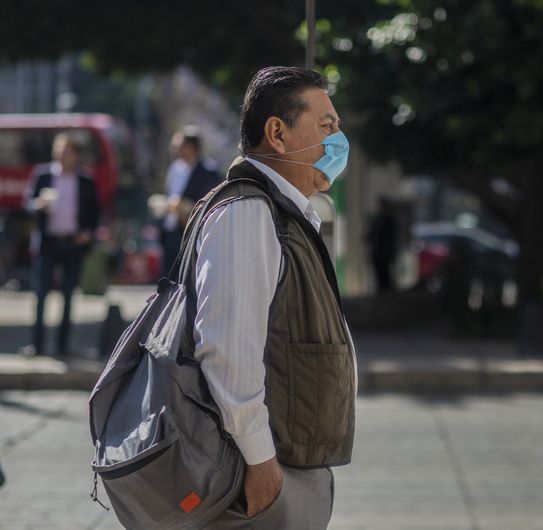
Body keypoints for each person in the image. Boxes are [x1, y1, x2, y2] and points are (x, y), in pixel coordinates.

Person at [195, 67, 356, 528]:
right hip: (264, 468)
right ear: (278, 134)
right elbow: (226, 350)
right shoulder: (248, 213)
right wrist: (260, 458)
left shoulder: (282, 213)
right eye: (326, 125)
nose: (338, 139)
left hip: (288, 459)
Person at [20, 133, 100, 357]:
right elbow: (27, 205)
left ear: (76, 155)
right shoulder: (42, 175)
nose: (63, 155)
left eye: (67, 151)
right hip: (48, 243)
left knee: (68, 296)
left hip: (73, 243)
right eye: (59, 150)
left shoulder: (86, 180)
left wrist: (88, 233)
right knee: (41, 295)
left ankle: (63, 347)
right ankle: (37, 346)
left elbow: (96, 213)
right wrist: (38, 205)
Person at [160, 127, 221, 277]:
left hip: (192, 232)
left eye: (178, 145)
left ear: (190, 147)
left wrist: (186, 208)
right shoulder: (174, 169)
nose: (174, 148)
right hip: (170, 231)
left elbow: (212, 201)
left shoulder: (208, 171)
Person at [367, 196, 398, 292]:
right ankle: (383, 290)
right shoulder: (379, 219)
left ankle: (385, 291)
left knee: (384, 272)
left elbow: (385, 236)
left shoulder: (388, 219)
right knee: (380, 273)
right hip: (379, 252)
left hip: (384, 252)